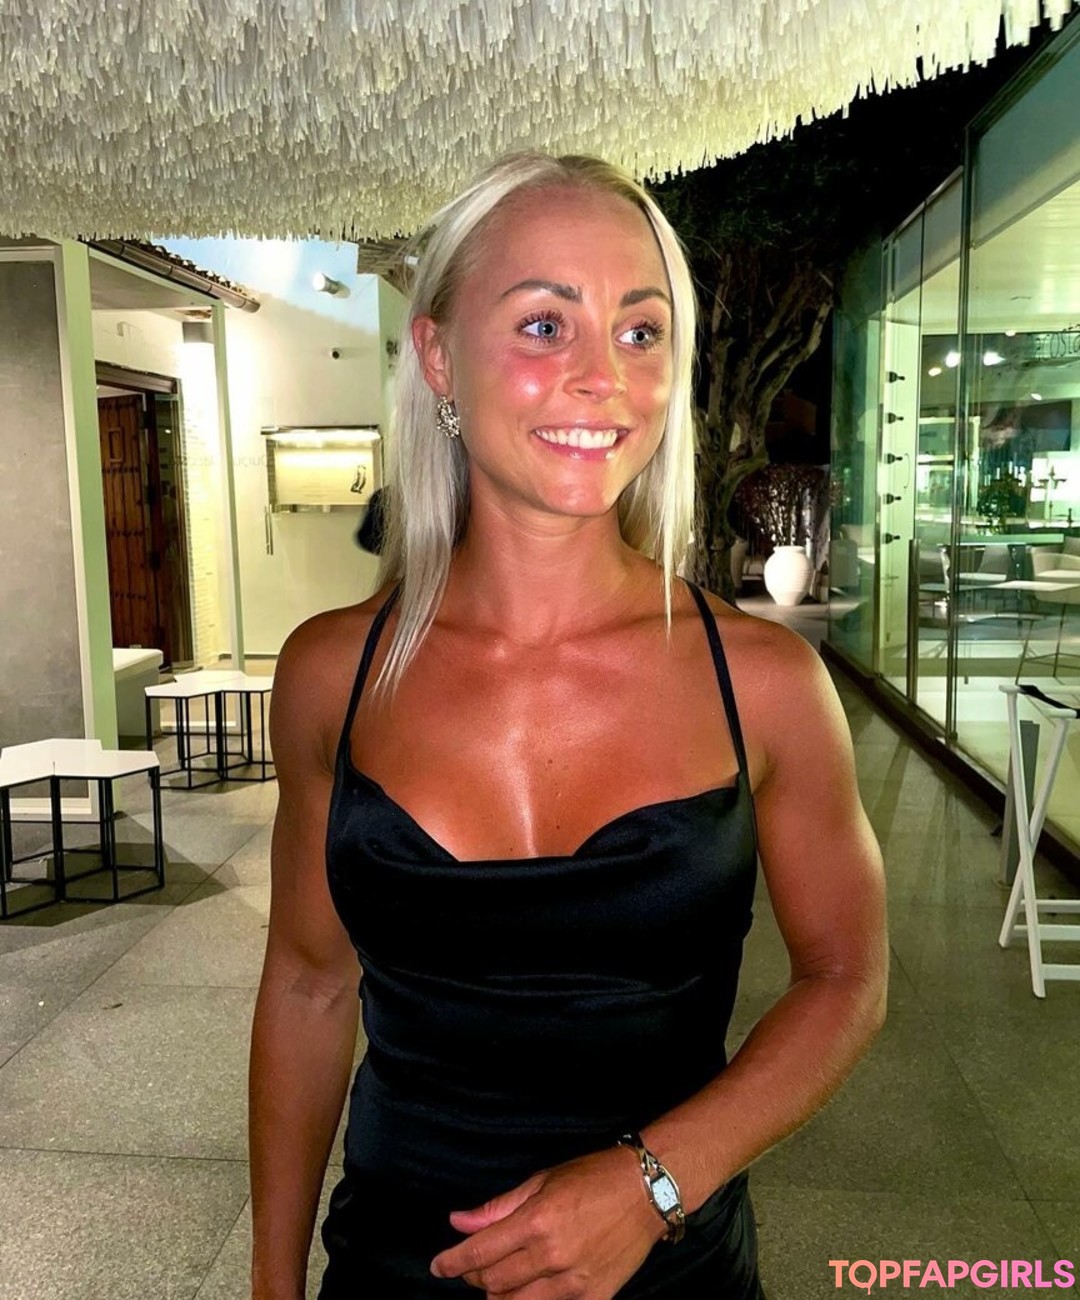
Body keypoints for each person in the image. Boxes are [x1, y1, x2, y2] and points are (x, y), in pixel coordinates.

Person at [249, 152, 887, 1300]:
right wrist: (269, 1283)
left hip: (675, 1274)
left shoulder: (766, 685)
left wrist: (653, 1182)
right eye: (547, 326)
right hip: (395, 1270)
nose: (604, 378)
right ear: (438, 355)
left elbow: (845, 978)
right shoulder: (332, 674)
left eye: (641, 333)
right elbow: (307, 982)